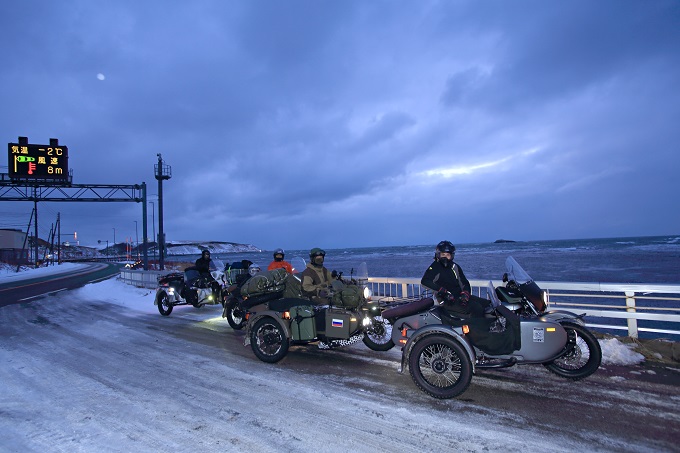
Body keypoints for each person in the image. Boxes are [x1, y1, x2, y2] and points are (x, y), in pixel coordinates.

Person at [421, 240, 491, 318]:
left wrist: (466, 293)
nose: (445, 257)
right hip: (447, 300)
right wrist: (441, 290)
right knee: (476, 308)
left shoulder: (454, 267)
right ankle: (476, 328)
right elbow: (425, 281)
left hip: (460, 297)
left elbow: (464, 282)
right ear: (438, 255)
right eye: (443, 254)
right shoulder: (435, 267)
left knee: (487, 304)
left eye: (448, 255)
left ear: (452, 255)